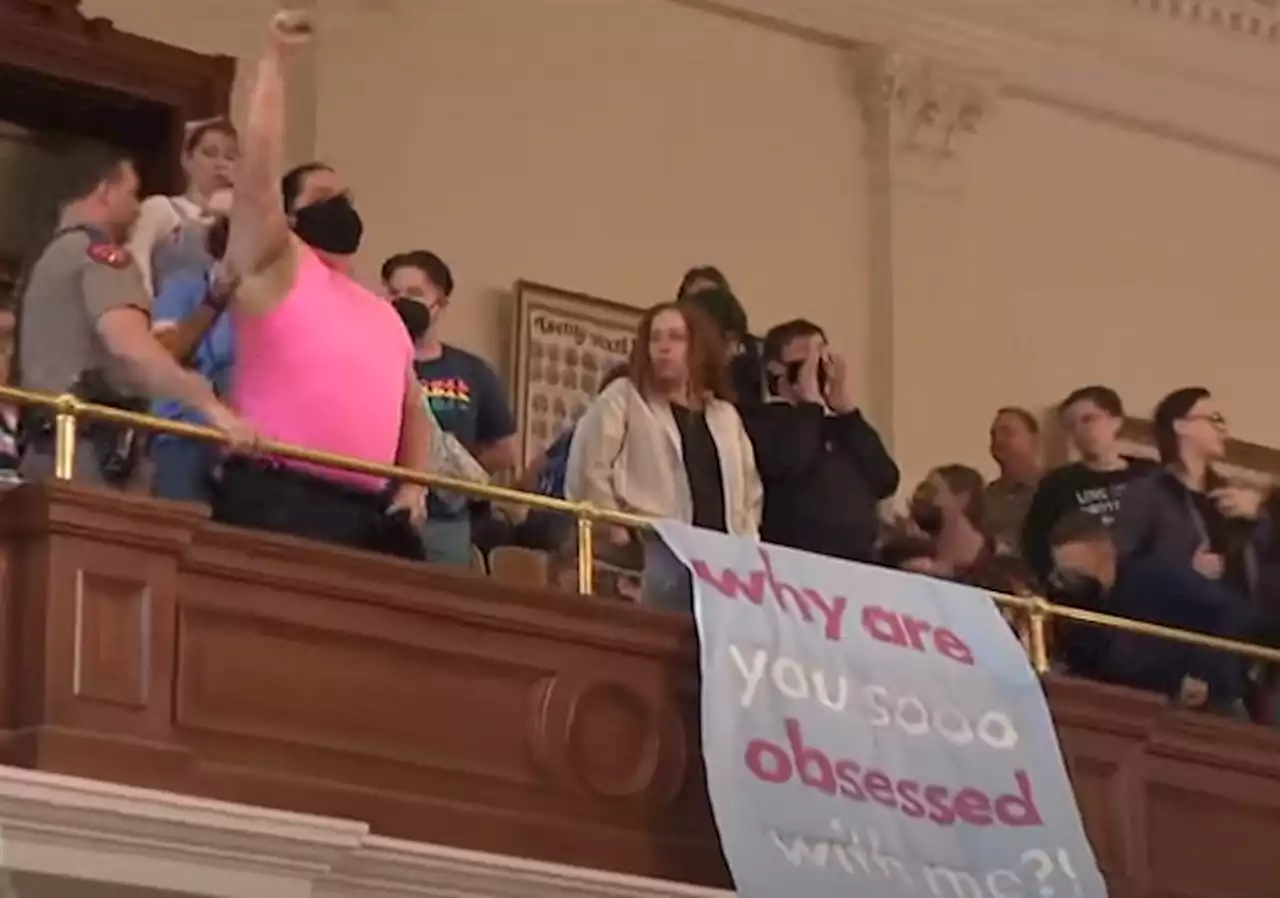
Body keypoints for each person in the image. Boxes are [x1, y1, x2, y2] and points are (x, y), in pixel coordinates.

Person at [213, 9, 431, 557]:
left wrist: (413, 485)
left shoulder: (385, 313)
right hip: (275, 496)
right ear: (287, 218)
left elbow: (415, 412)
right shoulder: (274, 264)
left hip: (364, 511)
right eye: (322, 200)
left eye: (345, 198)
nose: (339, 208)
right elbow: (259, 168)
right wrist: (276, 66)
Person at [14, 141, 247, 484]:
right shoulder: (100, 255)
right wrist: (209, 405)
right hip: (88, 454)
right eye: (132, 193)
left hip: (41, 452)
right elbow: (130, 345)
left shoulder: (44, 263)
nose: (138, 208)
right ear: (105, 192)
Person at [566, 301, 762, 608]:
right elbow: (589, 466)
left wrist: (748, 547)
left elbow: (749, 494)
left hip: (722, 562)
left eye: (675, 338)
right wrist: (613, 527)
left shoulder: (724, 416)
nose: (663, 347)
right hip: (655, 548)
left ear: (696, 348)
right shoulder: (624, 397)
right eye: (655, 338)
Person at [382, 249, 517, 566]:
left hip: (445, 520)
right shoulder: (370, 359)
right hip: (378, 505)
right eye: (394, 292)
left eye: (415, 294)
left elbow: (507, 448)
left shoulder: (472, 371)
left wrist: (453, 466)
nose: (402, 301)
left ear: (439, 305)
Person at [1048, 510, 1249, 715]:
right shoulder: (1081, 603)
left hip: (1195, 706)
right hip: (1132, 708)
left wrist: (1208, 676)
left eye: (1074, 569)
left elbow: (1231, 611)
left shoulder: (1158, 578)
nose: (1067, 578)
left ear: (1104, 550)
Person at [742, 318, 898, 562]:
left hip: (859, 564)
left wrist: (846, 410)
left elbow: (885, 479)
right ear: (776, 370)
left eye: (822, 363)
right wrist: (810, 405)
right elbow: (791, 463)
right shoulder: (760, 421)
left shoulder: (841, 426)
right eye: (806, 365)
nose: (816, 373)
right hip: (797, 565)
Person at [1113, 387, 1269, 603]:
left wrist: (1259, 515)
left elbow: (1266, 560)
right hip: (1175, 622)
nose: (1224, 431)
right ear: (1181, 425)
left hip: (1238, 626)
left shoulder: (1231, 496)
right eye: (1214, 419)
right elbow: (1121, 568)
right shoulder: (1146, 493)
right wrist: (1184, 571)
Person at [1021, 386, 1159, 586]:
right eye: (1071, 426)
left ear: (1115, 421)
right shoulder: (1057, 484)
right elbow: (1034, 541)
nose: (1080, 431)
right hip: (1084, 590)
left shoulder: (1149, 474)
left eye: (1088, 419)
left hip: (1146, 585)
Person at [150, 215, 238, 501]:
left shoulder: (269, 303)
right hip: (181, 437)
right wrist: (214, 302)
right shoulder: (184, 286)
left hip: (243, 448)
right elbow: (165, 352)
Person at [127, 118, 238, 296]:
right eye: (209, 153)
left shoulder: (240, 223)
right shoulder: (160, 208)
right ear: (187, 159)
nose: (220, 164)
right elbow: (136, 267)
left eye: (230, 157)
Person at [982, 407, 1042, 557]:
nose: (998, 440)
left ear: (1034, 440)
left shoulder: (1055, 488)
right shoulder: (985, 496)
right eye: (994, 434)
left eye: (1007, 432)